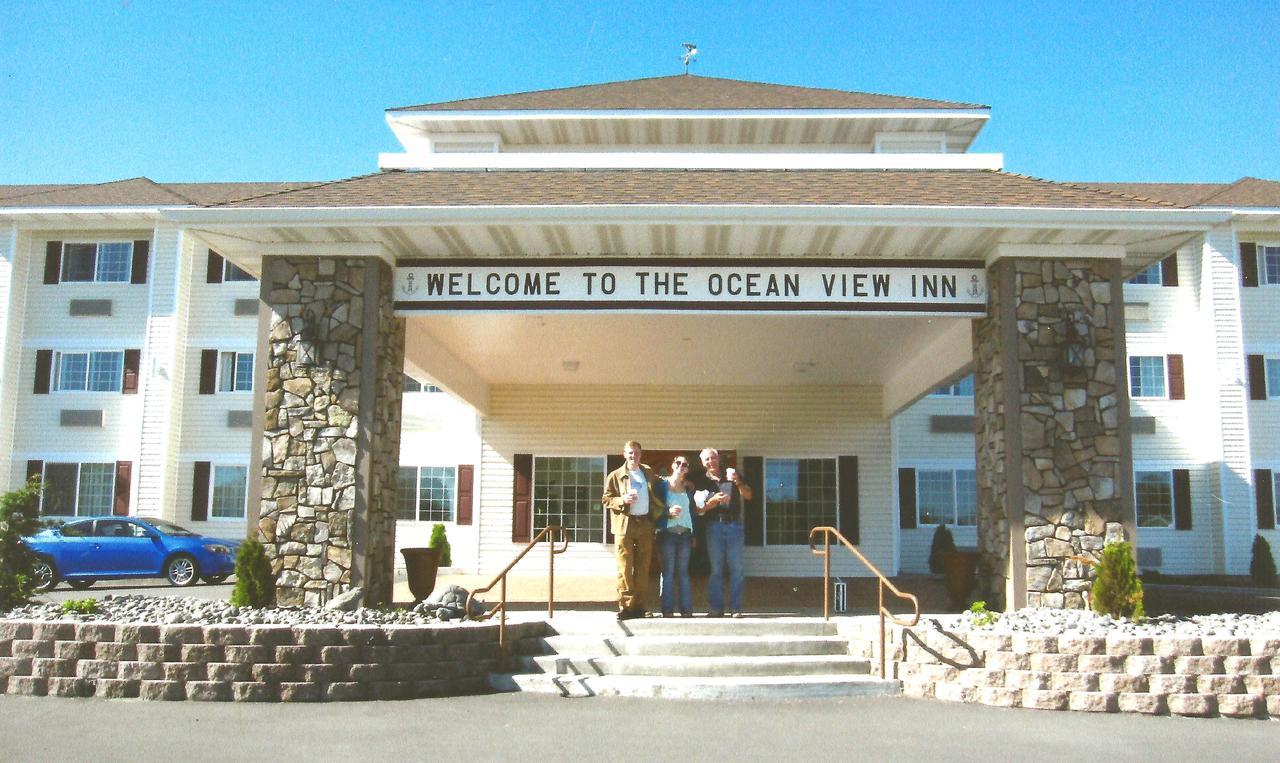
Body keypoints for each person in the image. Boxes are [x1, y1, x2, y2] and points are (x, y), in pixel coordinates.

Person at [602, 440, 665, 620]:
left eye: (636, 452)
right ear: (624, 454)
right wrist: (622, 500)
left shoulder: (647, 472)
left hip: (645, 523)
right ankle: (626, 607)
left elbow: (661, 483)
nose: (633, 456)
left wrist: (684, 484)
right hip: (624, 524)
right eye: (630, 452)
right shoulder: (615, 475)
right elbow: (606, 499)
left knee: (643, 567)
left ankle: (640, 606)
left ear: (640, 454)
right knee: (624, 567)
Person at [694, 448, 753, 617]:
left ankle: (736, 608)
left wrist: (738, 482)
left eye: (712, 458)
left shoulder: (733, 475)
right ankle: (716, 609)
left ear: (718, 459)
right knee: (716, 569)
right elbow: (699, 510)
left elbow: (749, 495)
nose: (710, 462)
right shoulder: (701, 481)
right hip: (714, 527)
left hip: (735, 525)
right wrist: (713, 502)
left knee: (737, 568)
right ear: (703, 463)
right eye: (707, 460)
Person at [655, 455, 696, 617]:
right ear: (672, 465)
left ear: (687, 469)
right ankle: (667, 609)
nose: (681, 466)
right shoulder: (661, 486)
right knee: (668, 572)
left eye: (685, 464)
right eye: (678, 463)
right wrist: (668, 512)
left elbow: (693, 511)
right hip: (667, 534)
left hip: (685, 534)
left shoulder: (688, 488)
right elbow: (654, 508)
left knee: (684, 572)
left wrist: (694, 534)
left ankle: (686, 610)